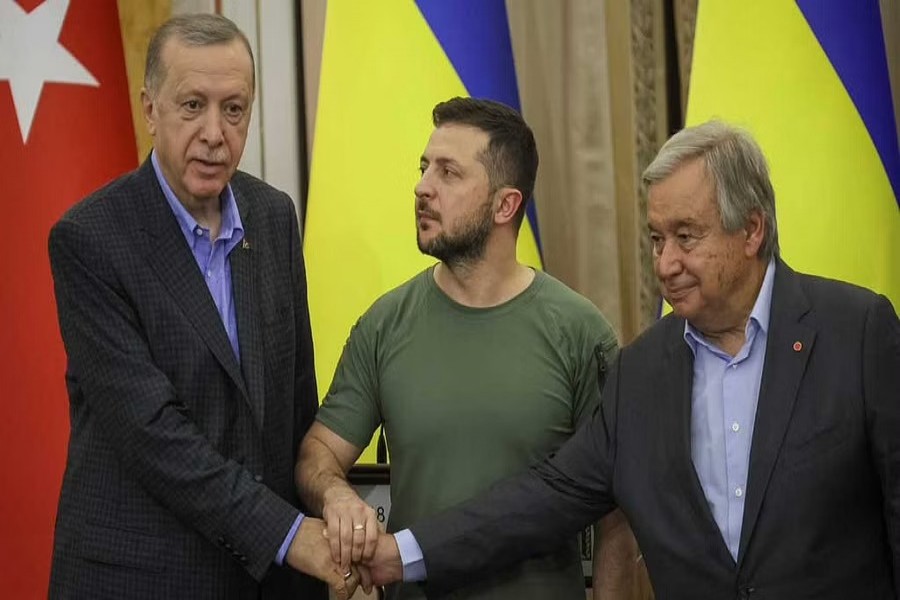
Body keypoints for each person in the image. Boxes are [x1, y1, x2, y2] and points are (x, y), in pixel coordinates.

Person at [360, 120, 900, 599]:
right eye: (657, 239)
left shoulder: (856, 334)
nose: (665, 264)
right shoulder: (641, 373)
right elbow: (543, 498)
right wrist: (399, 554)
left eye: (686, 237)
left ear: (752, 230)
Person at [47, 14, 356, 600]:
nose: (215, 133)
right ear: (150, 109)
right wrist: (291, 536)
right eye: (193, 106)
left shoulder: (273, 217)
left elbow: (294, 405)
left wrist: (328, 505)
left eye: (233, 109)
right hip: (142, 579)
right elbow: (154, 435)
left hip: (268, 580)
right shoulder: (90, 239)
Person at [296, 97, 641, 599]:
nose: (422, 187)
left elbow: (617, 519)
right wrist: (336, 496)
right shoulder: (385, 324)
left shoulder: (580, 332)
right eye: (424, 168)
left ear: (505, 205)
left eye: (448, 173)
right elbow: (319, 453)